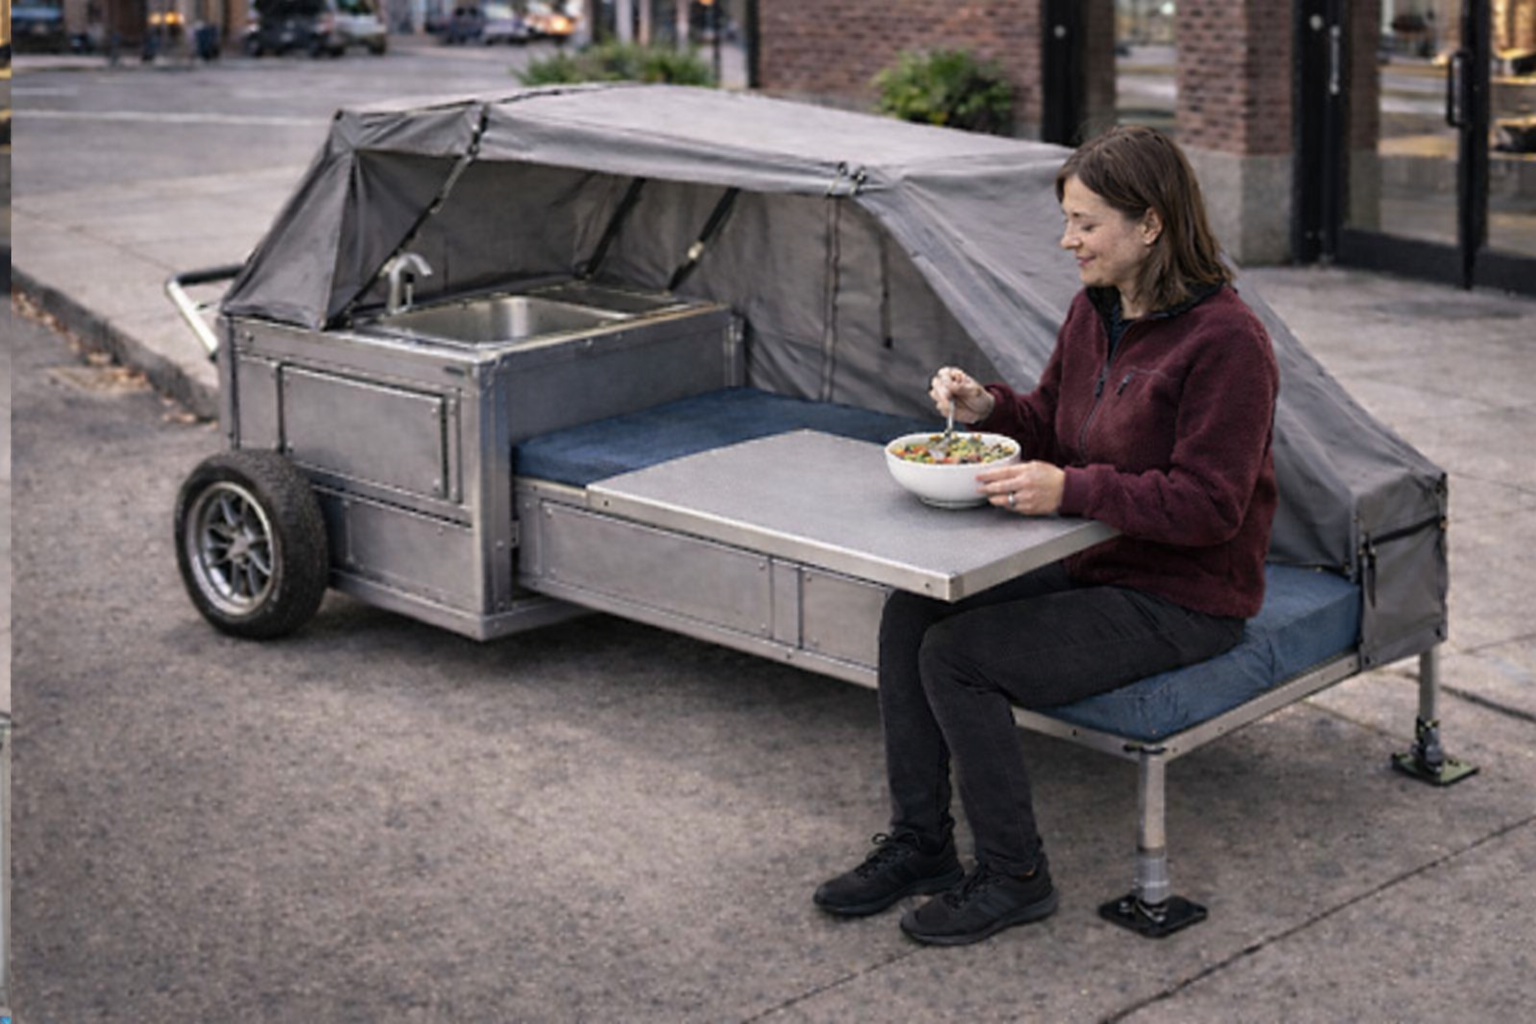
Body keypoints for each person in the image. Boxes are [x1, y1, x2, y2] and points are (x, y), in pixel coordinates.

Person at [813, 125, 1280, 945]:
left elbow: (1213, 506)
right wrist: (990, 408)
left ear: (1151, 224)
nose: (1068, 241)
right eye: (1066, 220)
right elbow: (1053, 423)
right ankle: (922, 843)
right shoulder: (1095, 309)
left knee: (960, 657)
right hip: (1089, 562)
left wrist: (1071, 490)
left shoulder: (1228, 341)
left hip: (1181, 597)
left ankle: (1015, 875)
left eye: (1085, 223)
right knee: (911, 611)